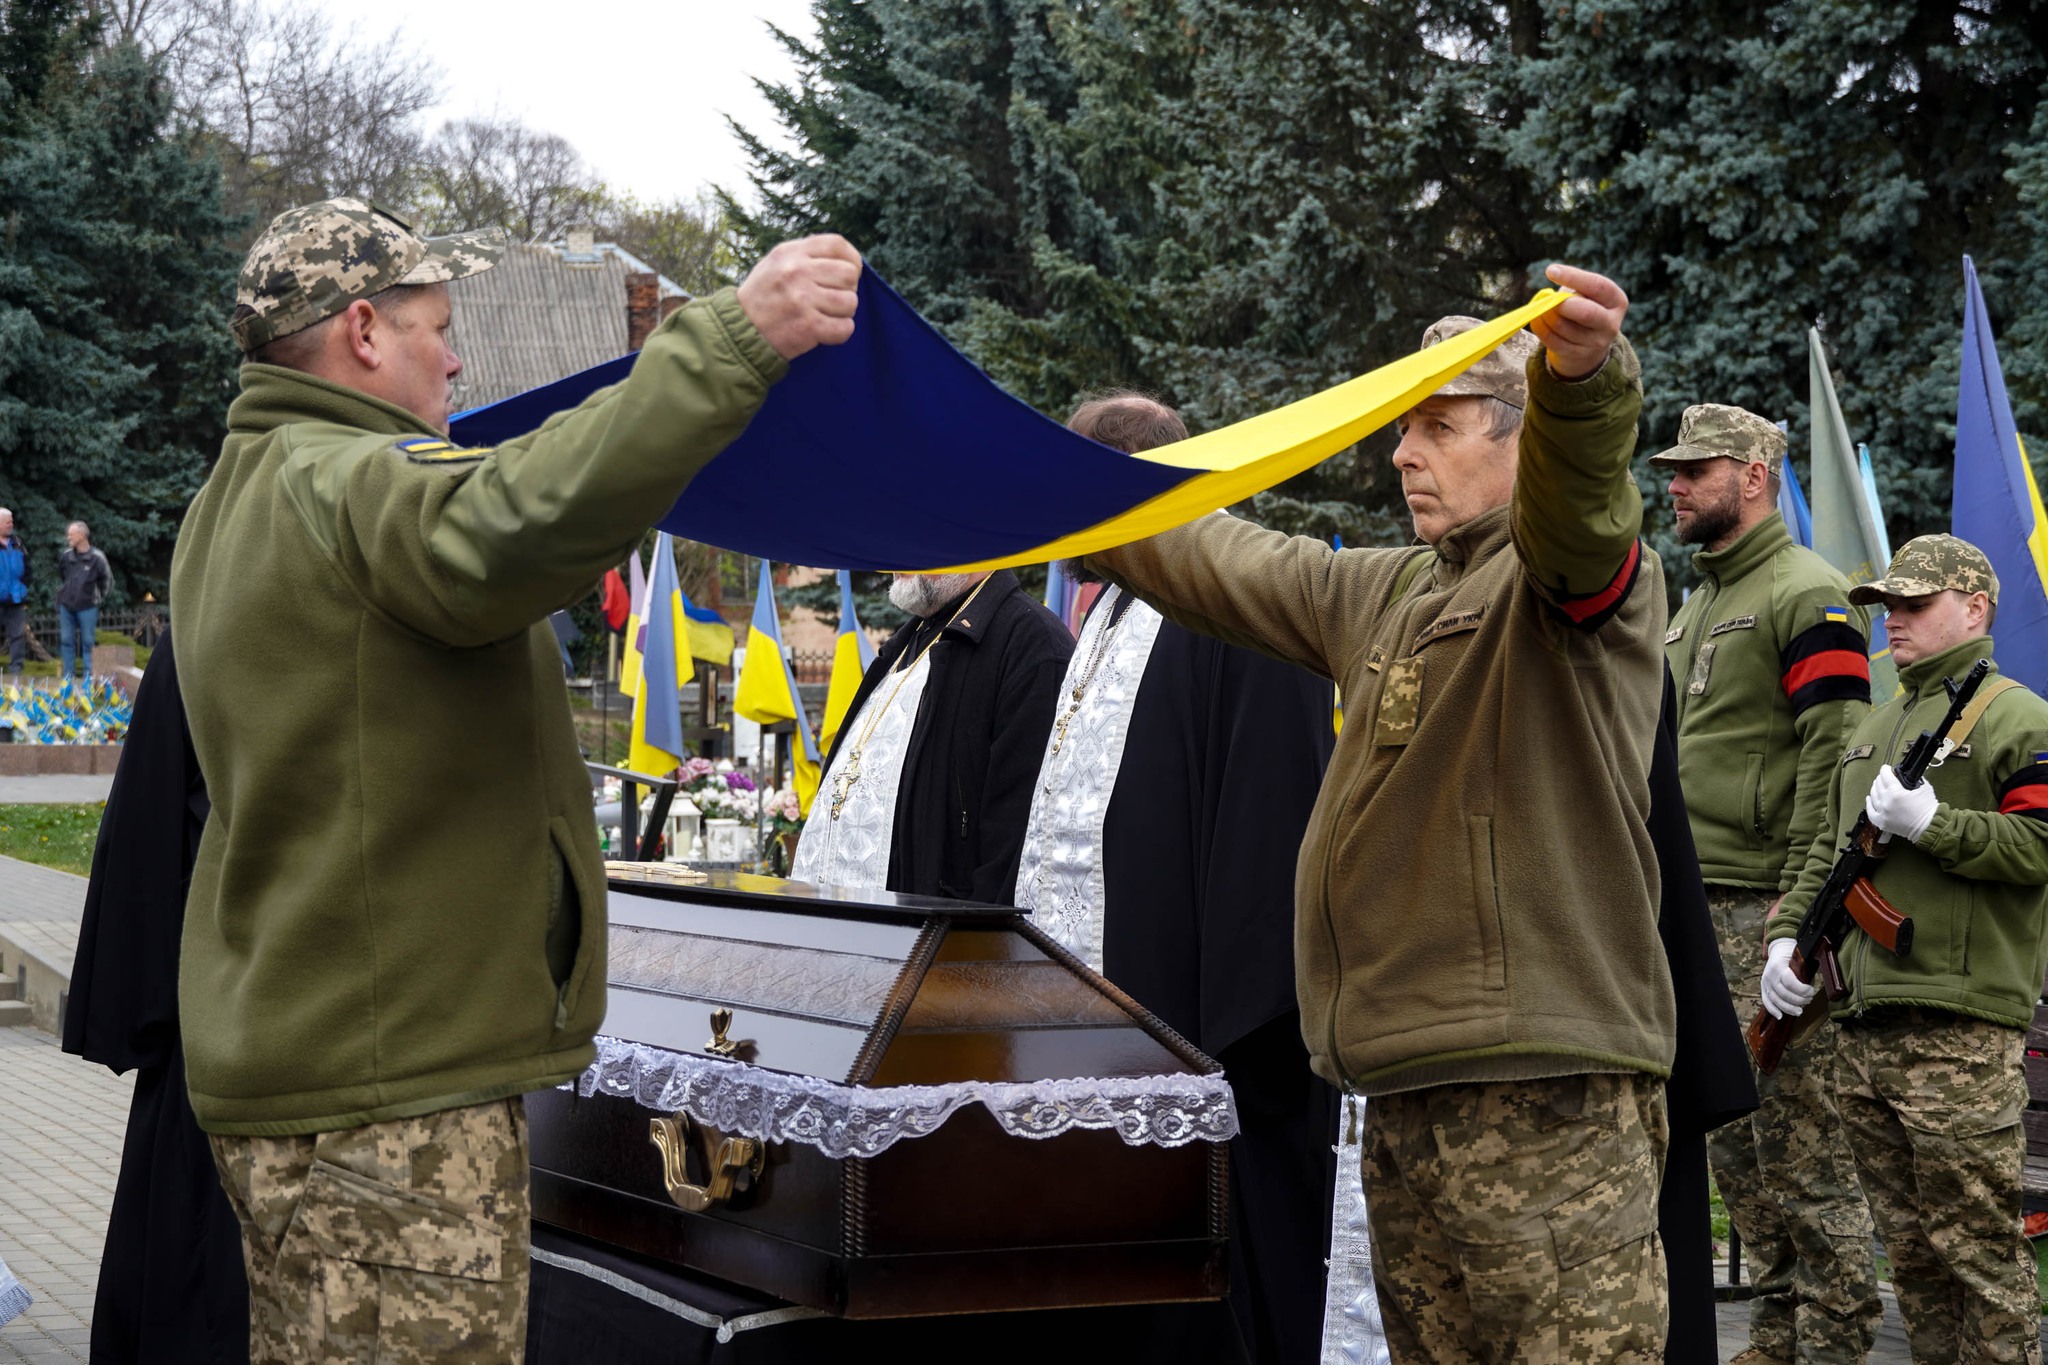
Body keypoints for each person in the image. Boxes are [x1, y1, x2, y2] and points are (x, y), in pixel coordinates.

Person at [170, 196, 860, 1361]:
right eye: (435, 324)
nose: (457, 354)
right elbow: (514, 517)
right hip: (391, 1102)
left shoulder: (240, 491)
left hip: (334, 1072)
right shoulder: (353, 480)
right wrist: (734, 338)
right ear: (362, 332)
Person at [1085, 266, 1678, 1360]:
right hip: (1403, 1089)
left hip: (1538, 1091)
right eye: (1402, 427)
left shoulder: (1571, 582)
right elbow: (1228, 562)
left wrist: (1585, 387)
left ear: (1520, 437)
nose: (1401, 454)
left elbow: (1584, 504)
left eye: (1437, 427)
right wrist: (1083, 489)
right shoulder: (1393, 591)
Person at [1014, 392, 1340, 1365]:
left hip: (1210, 1047)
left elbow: (1271, 825)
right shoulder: (1110, 612)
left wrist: (1220, 1050)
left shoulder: (1239, 600)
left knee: (1226, 1303)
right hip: (1106, 1034)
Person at [1764, 534, 2048, 1365]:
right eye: (1887, 606)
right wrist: (1790, 942)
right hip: (1864, 1020)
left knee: (1978, 1255)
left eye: (1915, 604)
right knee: (1914, 1257)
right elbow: (1829, 845)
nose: (1894, 621)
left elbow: (2041, 840)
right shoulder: (1875, 722)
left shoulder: (2015, 714)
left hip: (1957, 1022)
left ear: (1975, 608)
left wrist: (1936, 825)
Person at [1651, 404, 1882, 1365]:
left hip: (1763, 905)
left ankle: (1834, 1334)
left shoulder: (1810, 593)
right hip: (1691, 901)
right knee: (1734, 1141)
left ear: (1753, 475)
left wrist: (1797, 923)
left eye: (1695, 469)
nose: (1673, 485)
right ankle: (1781, 1332)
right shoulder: (1693, 601)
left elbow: (1835, 771)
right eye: (1672, 469)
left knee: (1801, 1143)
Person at [60, 626, 249, 1363]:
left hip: (222, 1013)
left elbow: (148, 818)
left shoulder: (207, 612)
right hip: (222, 1018)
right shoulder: (212, 612)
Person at [792, 566, 1072, 902]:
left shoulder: (1032, 641)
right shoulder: (910, 639)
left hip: (940, 934)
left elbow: (1016, 836)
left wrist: (974, 943)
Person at [56, 519, 112, 681]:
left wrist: (98, 597)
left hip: (88, 606)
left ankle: (89, 678)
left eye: (71, 534)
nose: (68, 538)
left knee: (88, 643)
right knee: (66, 641)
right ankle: (68, 677)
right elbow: (63, 575)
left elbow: (106, 580)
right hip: (67, 605)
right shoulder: (66, 556)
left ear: (82, 535)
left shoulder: (97, 557)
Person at [0, 507, 28, 675]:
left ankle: (16, 669)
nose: (12, 524)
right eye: (8, 521)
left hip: (16, 598)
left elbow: (28, 568)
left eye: (11, 521)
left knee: (17, 635)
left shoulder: (18, 542)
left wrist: (23, 587)